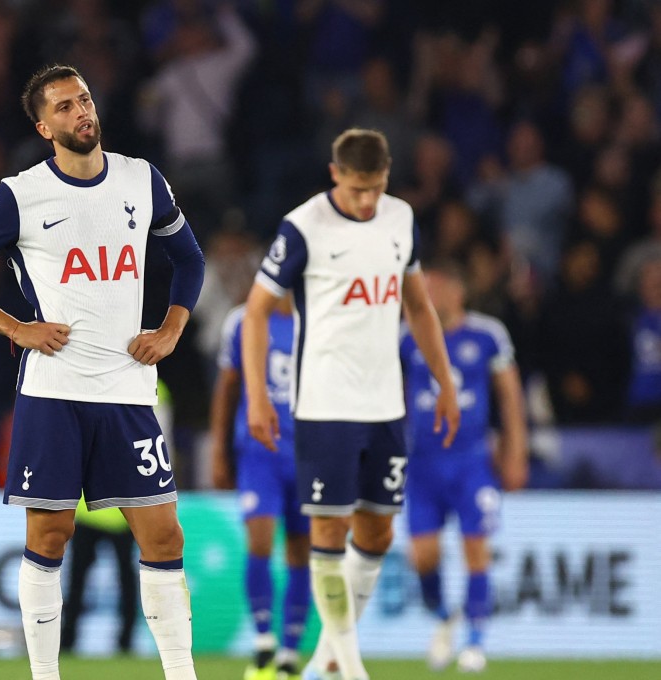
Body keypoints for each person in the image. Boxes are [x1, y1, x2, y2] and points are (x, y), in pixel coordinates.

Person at [0, 64, 205, 680]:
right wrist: (14, 327)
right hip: (53, 389)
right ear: (43, 125)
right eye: (64, 107)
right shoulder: (20, 194)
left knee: (165, 539)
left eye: (83, 100)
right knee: (49, 538)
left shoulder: (142, 179)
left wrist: (172, 328)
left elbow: (188, 258)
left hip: (128, 389)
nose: (81, 112)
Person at [241, 128, 460, 680]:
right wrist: (257, 396)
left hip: (386, 403)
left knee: (379, 534)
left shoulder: (400, 219)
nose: (368, 200)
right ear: (336, 174)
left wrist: (445, 380)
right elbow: (255, 312)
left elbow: (418, 305)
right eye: (359, 188)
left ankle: (326, 659)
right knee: (328, 534)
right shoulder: (305, 226)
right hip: (325, 403)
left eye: (377, 187)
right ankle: (350, 664)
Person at [399, 258, 528, 673]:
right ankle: (443, 617)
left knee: (476, 548)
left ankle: (475, 642)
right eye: (424, 292)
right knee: (423, 556)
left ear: (458, 292)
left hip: (471, 460)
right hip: (422, 464)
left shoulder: (488, 335)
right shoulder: (407, 337)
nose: (429, 299)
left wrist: (514, 453)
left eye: (436, 290)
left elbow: (510, 397)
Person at [210, 295, 310, 680]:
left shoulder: (318, 317)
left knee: (301, 550)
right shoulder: (243, 320)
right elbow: (228, 387)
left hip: (307, 454)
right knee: (261, 541)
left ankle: (289, 651)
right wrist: (219, 451)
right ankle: (265, 640)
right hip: (258, 453)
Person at [60, 496, 138, 656]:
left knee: (77, 581)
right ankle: (125, 643)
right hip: (120, 515)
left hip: (91, 512)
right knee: (126, 582)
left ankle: (68, 641)